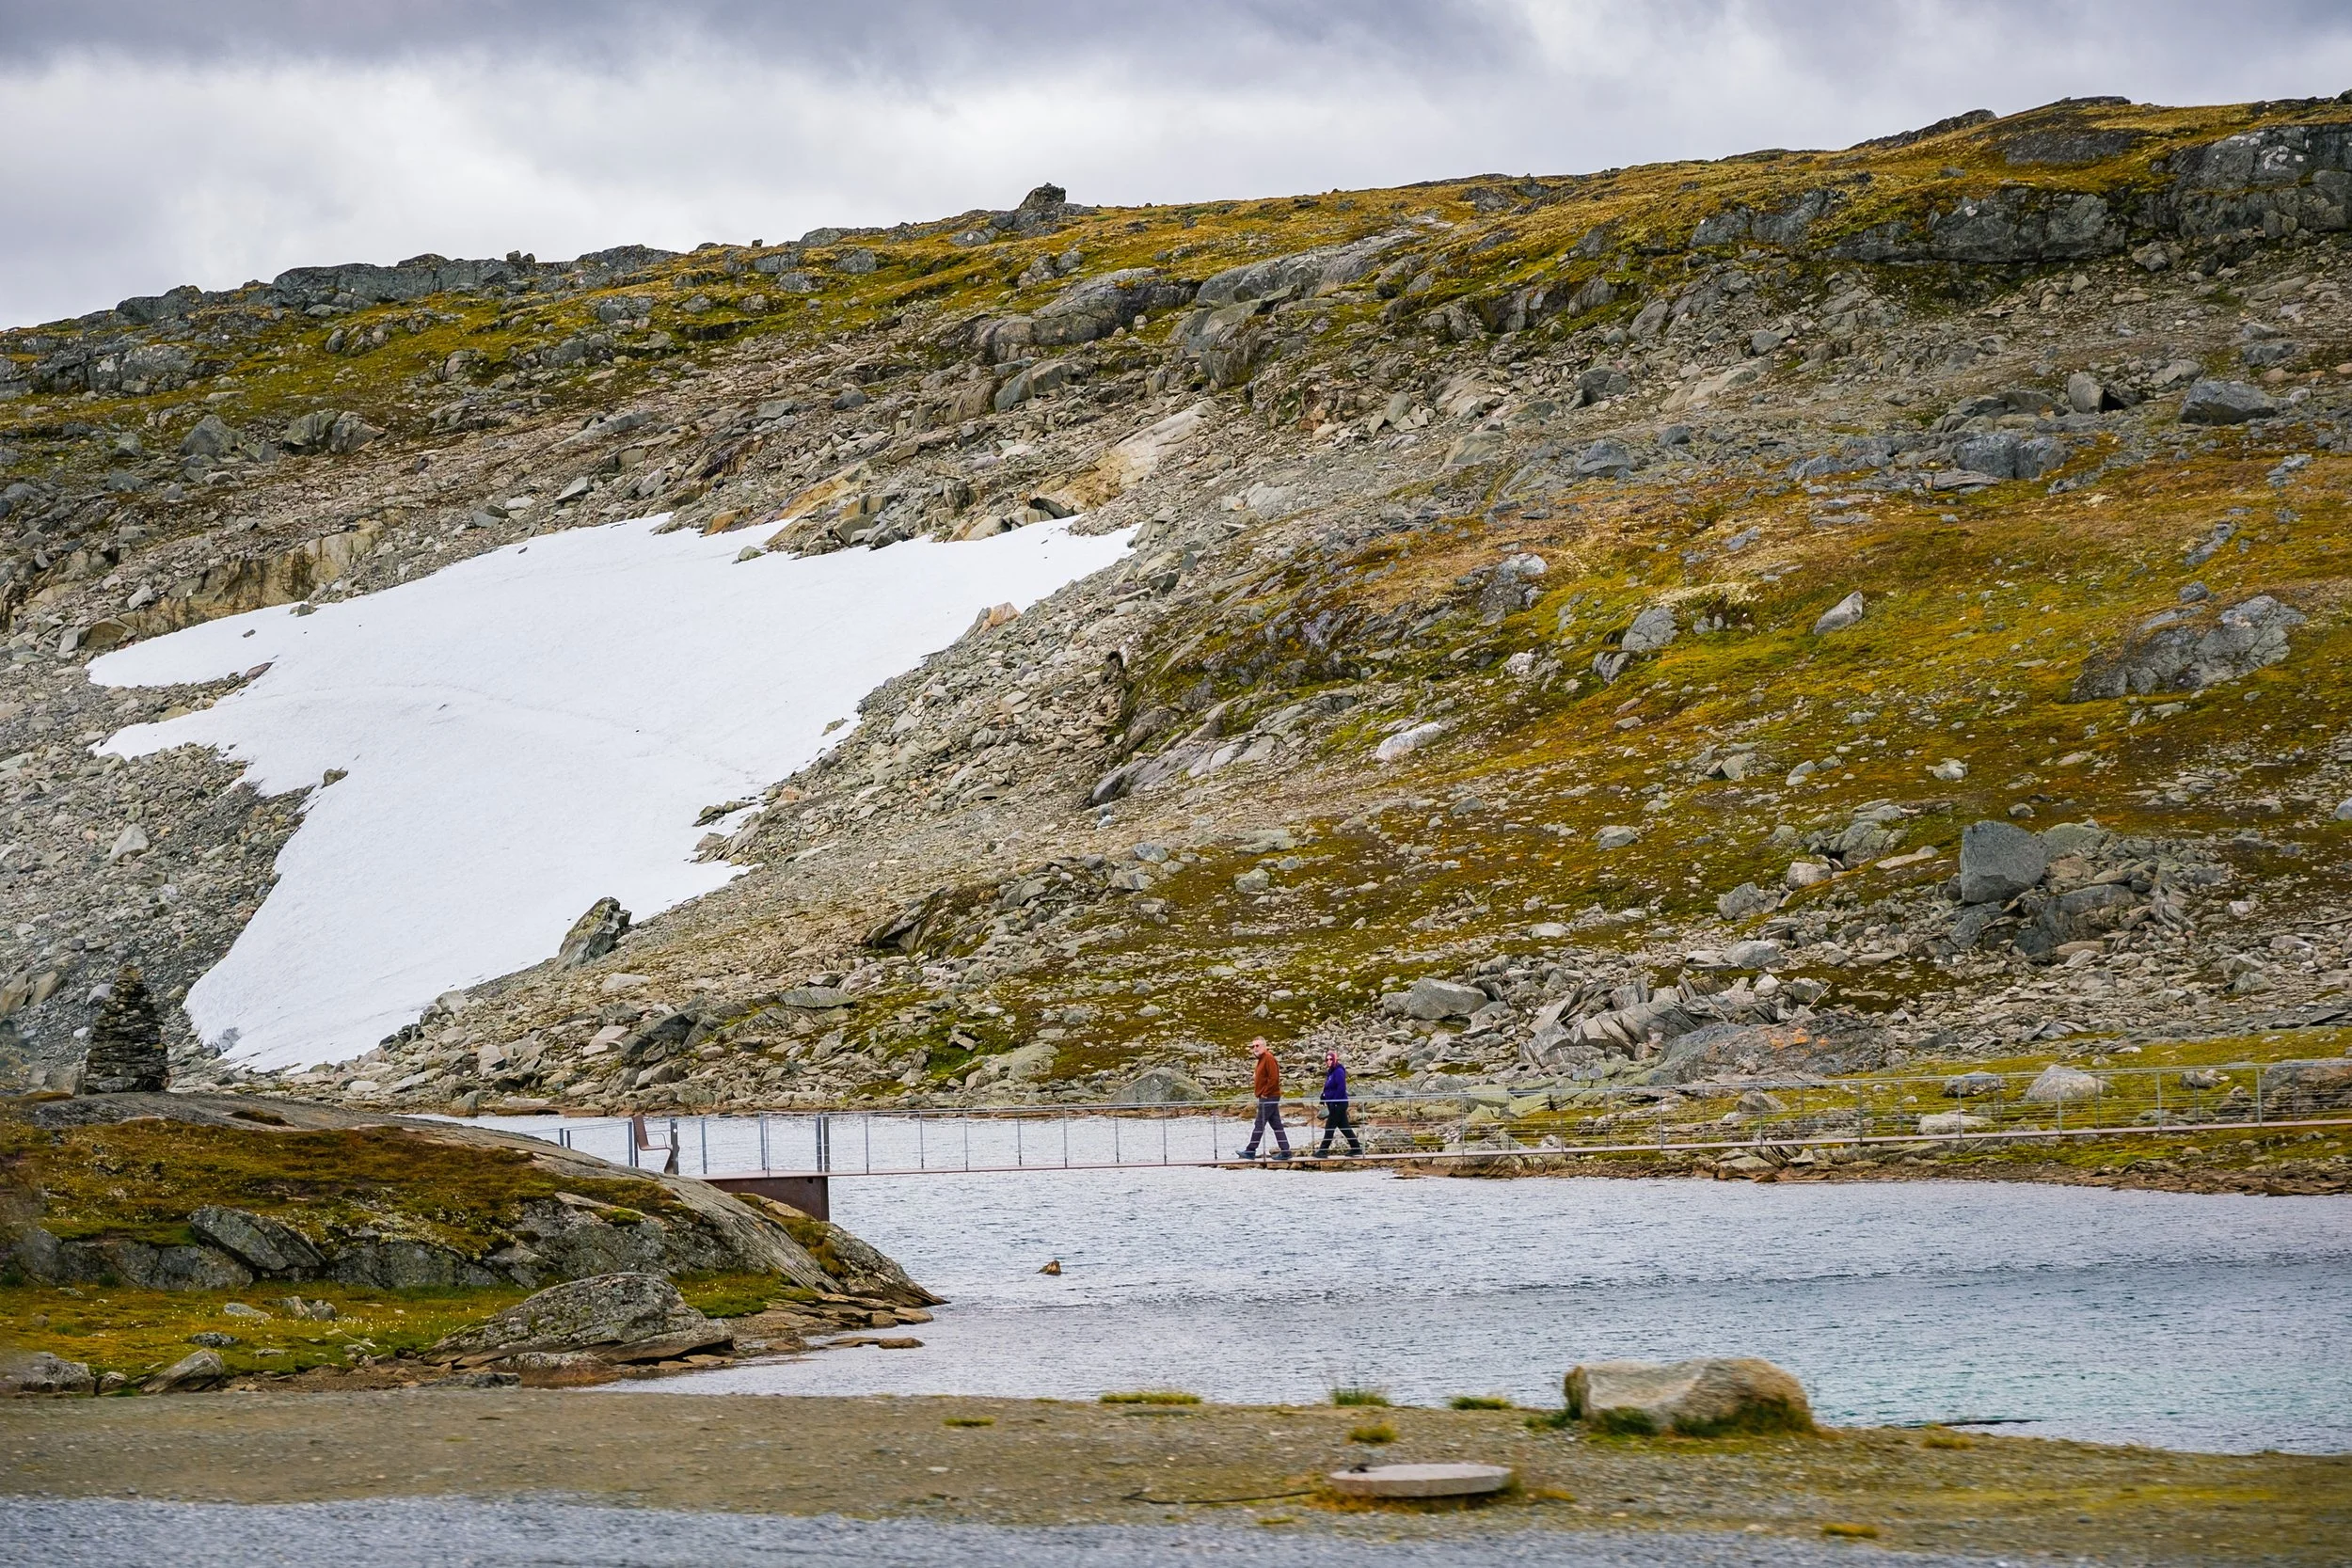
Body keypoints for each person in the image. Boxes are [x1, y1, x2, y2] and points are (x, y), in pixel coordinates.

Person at [1239, 1037, 1290, 1161]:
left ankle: (1250, 1150)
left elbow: (1274, 1078)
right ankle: (1286, 1151)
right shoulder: (1262, 1060)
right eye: (1253, 1046)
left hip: (1269, 1097)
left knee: (1259, 1123)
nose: (1255, 1048)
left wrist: (1265, 1093)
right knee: (1276, 1124)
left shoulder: (1268, 1058)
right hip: (1268, 1096)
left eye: (1257, 1045)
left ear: (1264, 1046)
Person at [1316, 1049, 1362, 1158]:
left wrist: (1335, 1102)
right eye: (1327, 1059)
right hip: (1334, 1103)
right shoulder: (1330, 1072)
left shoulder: (1338, 1071)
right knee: (1344, 1127)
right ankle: (1356, 1148)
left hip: (1338, 1104)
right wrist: (1323, 1096)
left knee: (1329, 1127)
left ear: (1335, 1059)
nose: (1329, 1061)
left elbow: (1341, 1088)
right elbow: (1329, 1087)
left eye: (1331, 1059)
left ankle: (1323, 1150)